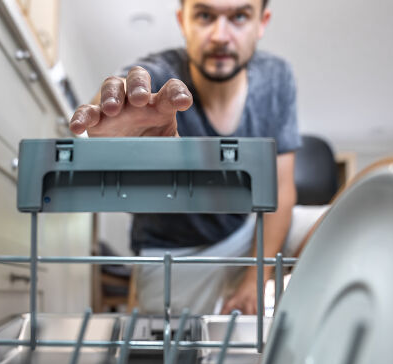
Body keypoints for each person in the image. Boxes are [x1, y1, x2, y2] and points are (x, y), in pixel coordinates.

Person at [69, 0, 300, 316]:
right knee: (170, 356)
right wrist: (111, 118)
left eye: (240, 17)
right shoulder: (159, 77)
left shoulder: (277, 79)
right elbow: (122, 92)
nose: (220, 35)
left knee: (342, 218)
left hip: (244, 238)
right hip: (171, 255)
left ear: (262, 22)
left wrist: (254, 280)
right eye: (205, 15)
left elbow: (282, 190)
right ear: (183, 21)